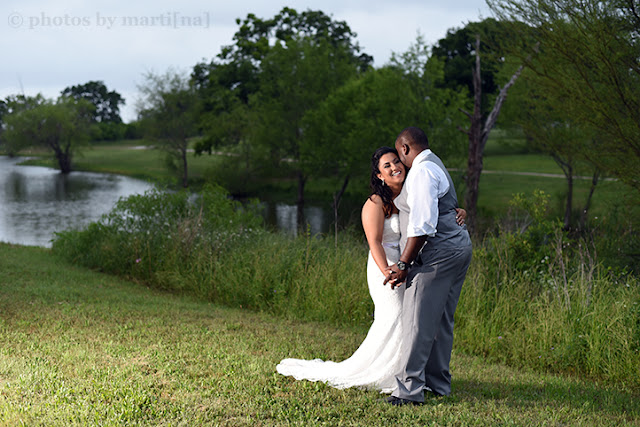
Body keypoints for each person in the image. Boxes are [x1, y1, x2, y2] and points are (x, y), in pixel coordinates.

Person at [276, 146, 466, 393]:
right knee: (396, 315)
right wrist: (387, 270)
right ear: (379, 176)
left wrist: (458, 212)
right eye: (386, 166)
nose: (394, 167)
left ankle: (406, 374)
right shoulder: (376, 203)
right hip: (385, 267)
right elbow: (374, 241)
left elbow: (435, 213)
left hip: (407, 267)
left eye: (396, 161)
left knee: (410, 318)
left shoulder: (413, 191)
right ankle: (385, 374)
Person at [384, 126, 472, 406]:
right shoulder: (435, 163)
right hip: (458, 246)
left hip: (439, 253)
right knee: (442, 320)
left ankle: (409, 392)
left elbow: (422, 227)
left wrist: (403, 263)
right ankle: (438, 385)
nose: (401, 162)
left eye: (400, 156)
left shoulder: (421, 171)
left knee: (418, 321)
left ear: (406, 148)